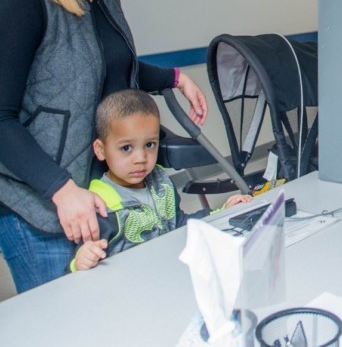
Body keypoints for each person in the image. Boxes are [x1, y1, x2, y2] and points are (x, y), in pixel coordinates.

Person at [0, 0, 209, 293]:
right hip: (41, 206)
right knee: (62, 339)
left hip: (102, 195)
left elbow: (113, 67)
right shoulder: (22, 2)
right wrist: (61, 190)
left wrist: (175, 77)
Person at [71, 90, 251, 272]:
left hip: (168, 274)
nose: (141, 158)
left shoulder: (161, 182)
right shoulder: (100, 206)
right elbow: (82, 265)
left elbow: (179, 224)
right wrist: (80, 261)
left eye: (150, 145)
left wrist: (221, 213)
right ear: (101, 150)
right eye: (126, 148)